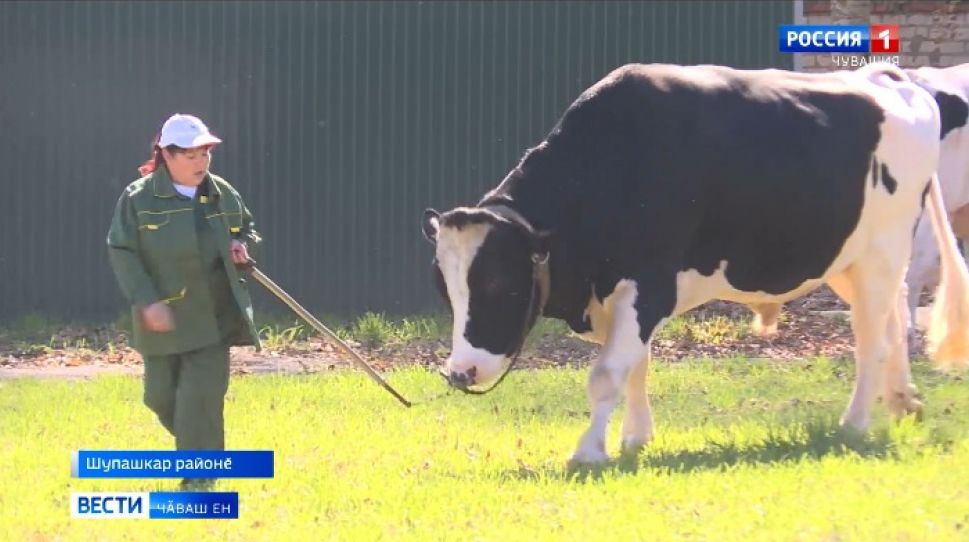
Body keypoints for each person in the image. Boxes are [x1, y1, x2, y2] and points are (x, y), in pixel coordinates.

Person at [106, 113, 263, 490]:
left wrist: (243, 245)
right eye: (191, 156)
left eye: (205, 154)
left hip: (214, 318)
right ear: (167, 155)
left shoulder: (222, 192)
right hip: (164, 319)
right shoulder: (138, 198)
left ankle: (201, 476)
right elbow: (121, 249)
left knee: (198, 400)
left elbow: (247, 229)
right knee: (159, 398)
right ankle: (202, 450)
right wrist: (146, 301)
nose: (201, 163)